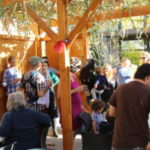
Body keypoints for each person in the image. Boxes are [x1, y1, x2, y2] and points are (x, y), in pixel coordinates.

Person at [108, 64, 150, 150]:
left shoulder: (120, 88)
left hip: (118, 141)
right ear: (148, 77)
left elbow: (111, 113)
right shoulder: (148, 91)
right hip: (139, 142)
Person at [40, 58, 60, 137]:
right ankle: (43, 133)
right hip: (41, 96)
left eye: (45, 66)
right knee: (43, 113)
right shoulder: (38, 74)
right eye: (42, 66)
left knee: (53, 113)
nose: (43, 67)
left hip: (50, 96)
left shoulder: (51, 74)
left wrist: (52, 85)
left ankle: (54, 130)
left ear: (48, 66)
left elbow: (57, 80)